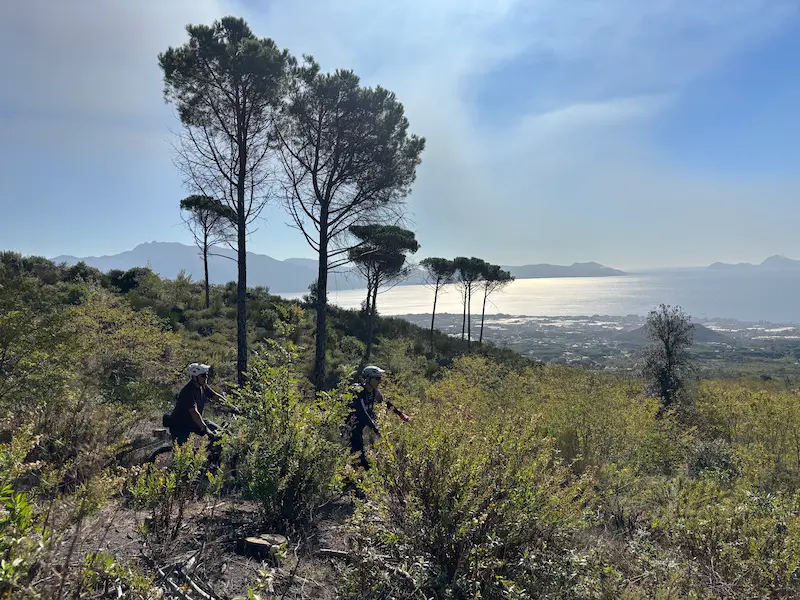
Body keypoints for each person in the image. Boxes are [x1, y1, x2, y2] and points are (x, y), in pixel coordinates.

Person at [347, 365, 409, 470]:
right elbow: (363, 413)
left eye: (380, 378)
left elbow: (385, 403)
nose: (379, 381)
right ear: (368, 378)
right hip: (352, 427)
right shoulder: (358, 391)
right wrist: (377, 430)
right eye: (377, 378)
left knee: (363, 454)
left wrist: (400, 414)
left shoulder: (374, 391)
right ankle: (353, 478)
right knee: (358, 455)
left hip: (362, 424)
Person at [165, 362, 224, 446]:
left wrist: (231, 406)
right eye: (203, 375)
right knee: (183, 452)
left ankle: (213, 457)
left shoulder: (203, 386)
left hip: (193, 422)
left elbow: (215, 396)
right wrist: (205, 429)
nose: (206, 377)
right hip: (180, 426)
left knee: (221, 434)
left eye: (206, 375)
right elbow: (194, 412)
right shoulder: (188, 392)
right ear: (194, 377)